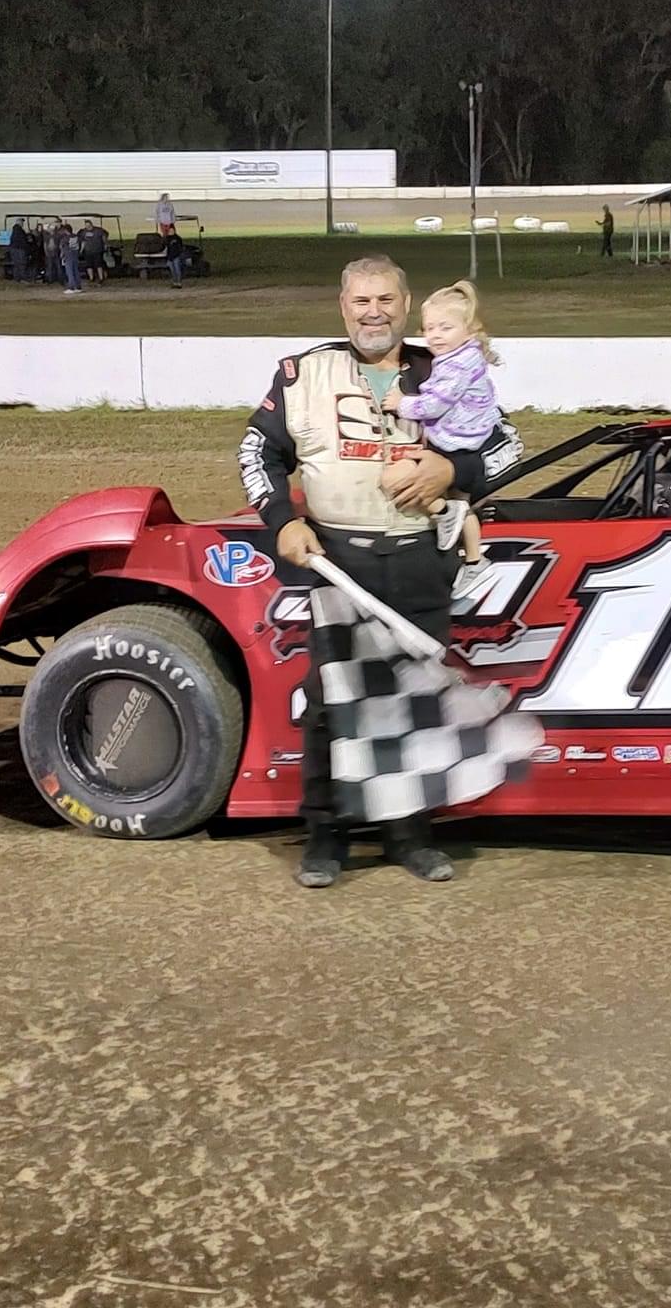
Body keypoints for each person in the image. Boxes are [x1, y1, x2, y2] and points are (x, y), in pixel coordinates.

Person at [240, 255, 523, 889]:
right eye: (361, 301)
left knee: (416, 701)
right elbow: (255, 452)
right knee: (327, 705)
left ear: (405, 303)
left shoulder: (444, 367)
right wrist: (283, 519)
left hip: (422, 559)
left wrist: (455, 473)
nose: (374, 312)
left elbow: (509, 446)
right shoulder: (301, 374)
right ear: (344, 307)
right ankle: (324, 835)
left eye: (386, 301)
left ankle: (409, 834)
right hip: (339, 564)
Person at [379, 281, 499, 597]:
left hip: (455, 443)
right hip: (470, 439)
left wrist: (400, 403)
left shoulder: (456, 366)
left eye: (445, 328)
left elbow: (435, 404)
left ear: (468, 329)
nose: (435, 335)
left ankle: (442, 511)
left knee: (398, 479)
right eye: (429, 328)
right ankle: (475, 562)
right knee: (465, 504)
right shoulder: (465, 356)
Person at [59, 222, 82, 295]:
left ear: (66, 230)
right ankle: (78, 287)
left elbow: (62, 248)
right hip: (75, 254)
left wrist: (62, 255)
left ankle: (71, 287)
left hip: (68, 255)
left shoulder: (64, 239)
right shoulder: (76, 236)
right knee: (75, 270)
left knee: (69, 272)